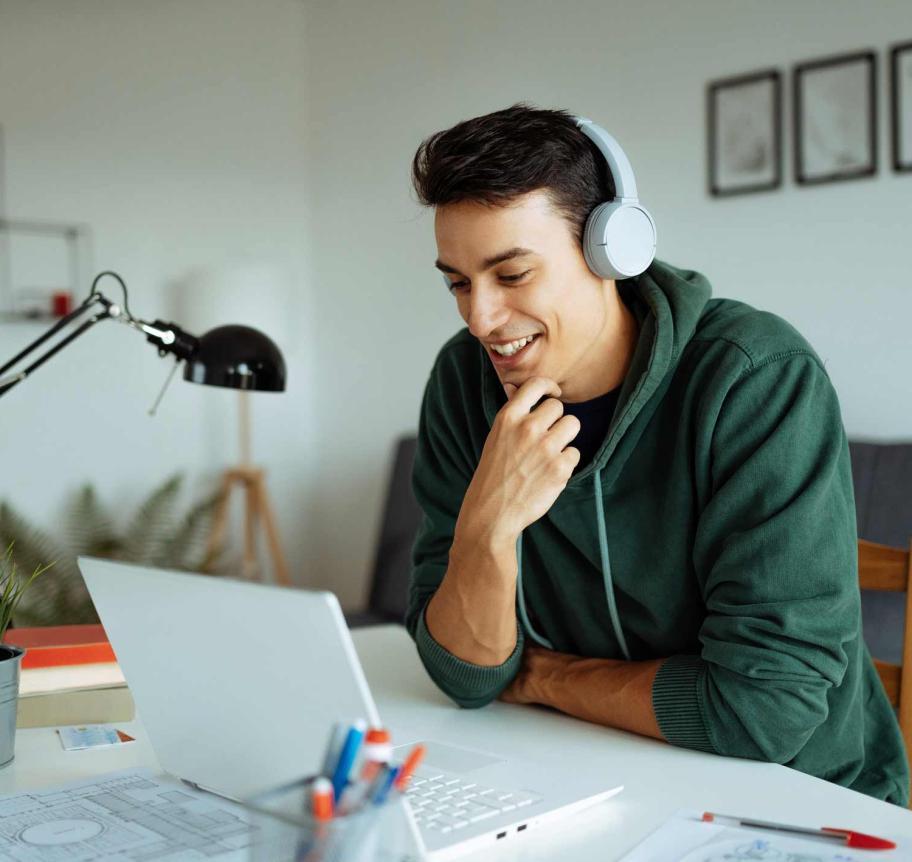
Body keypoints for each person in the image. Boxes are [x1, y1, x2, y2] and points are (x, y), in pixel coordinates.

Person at [403, 103, 908, 805]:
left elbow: (764, 712)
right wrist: (487, 527)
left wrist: (544, 677)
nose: (479, 317)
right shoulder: (462, 384)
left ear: (614, 249)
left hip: (798, 800)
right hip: (581, 776)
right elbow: (463, 674)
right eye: (458, 282)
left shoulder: (754, 378)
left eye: (511, 275)